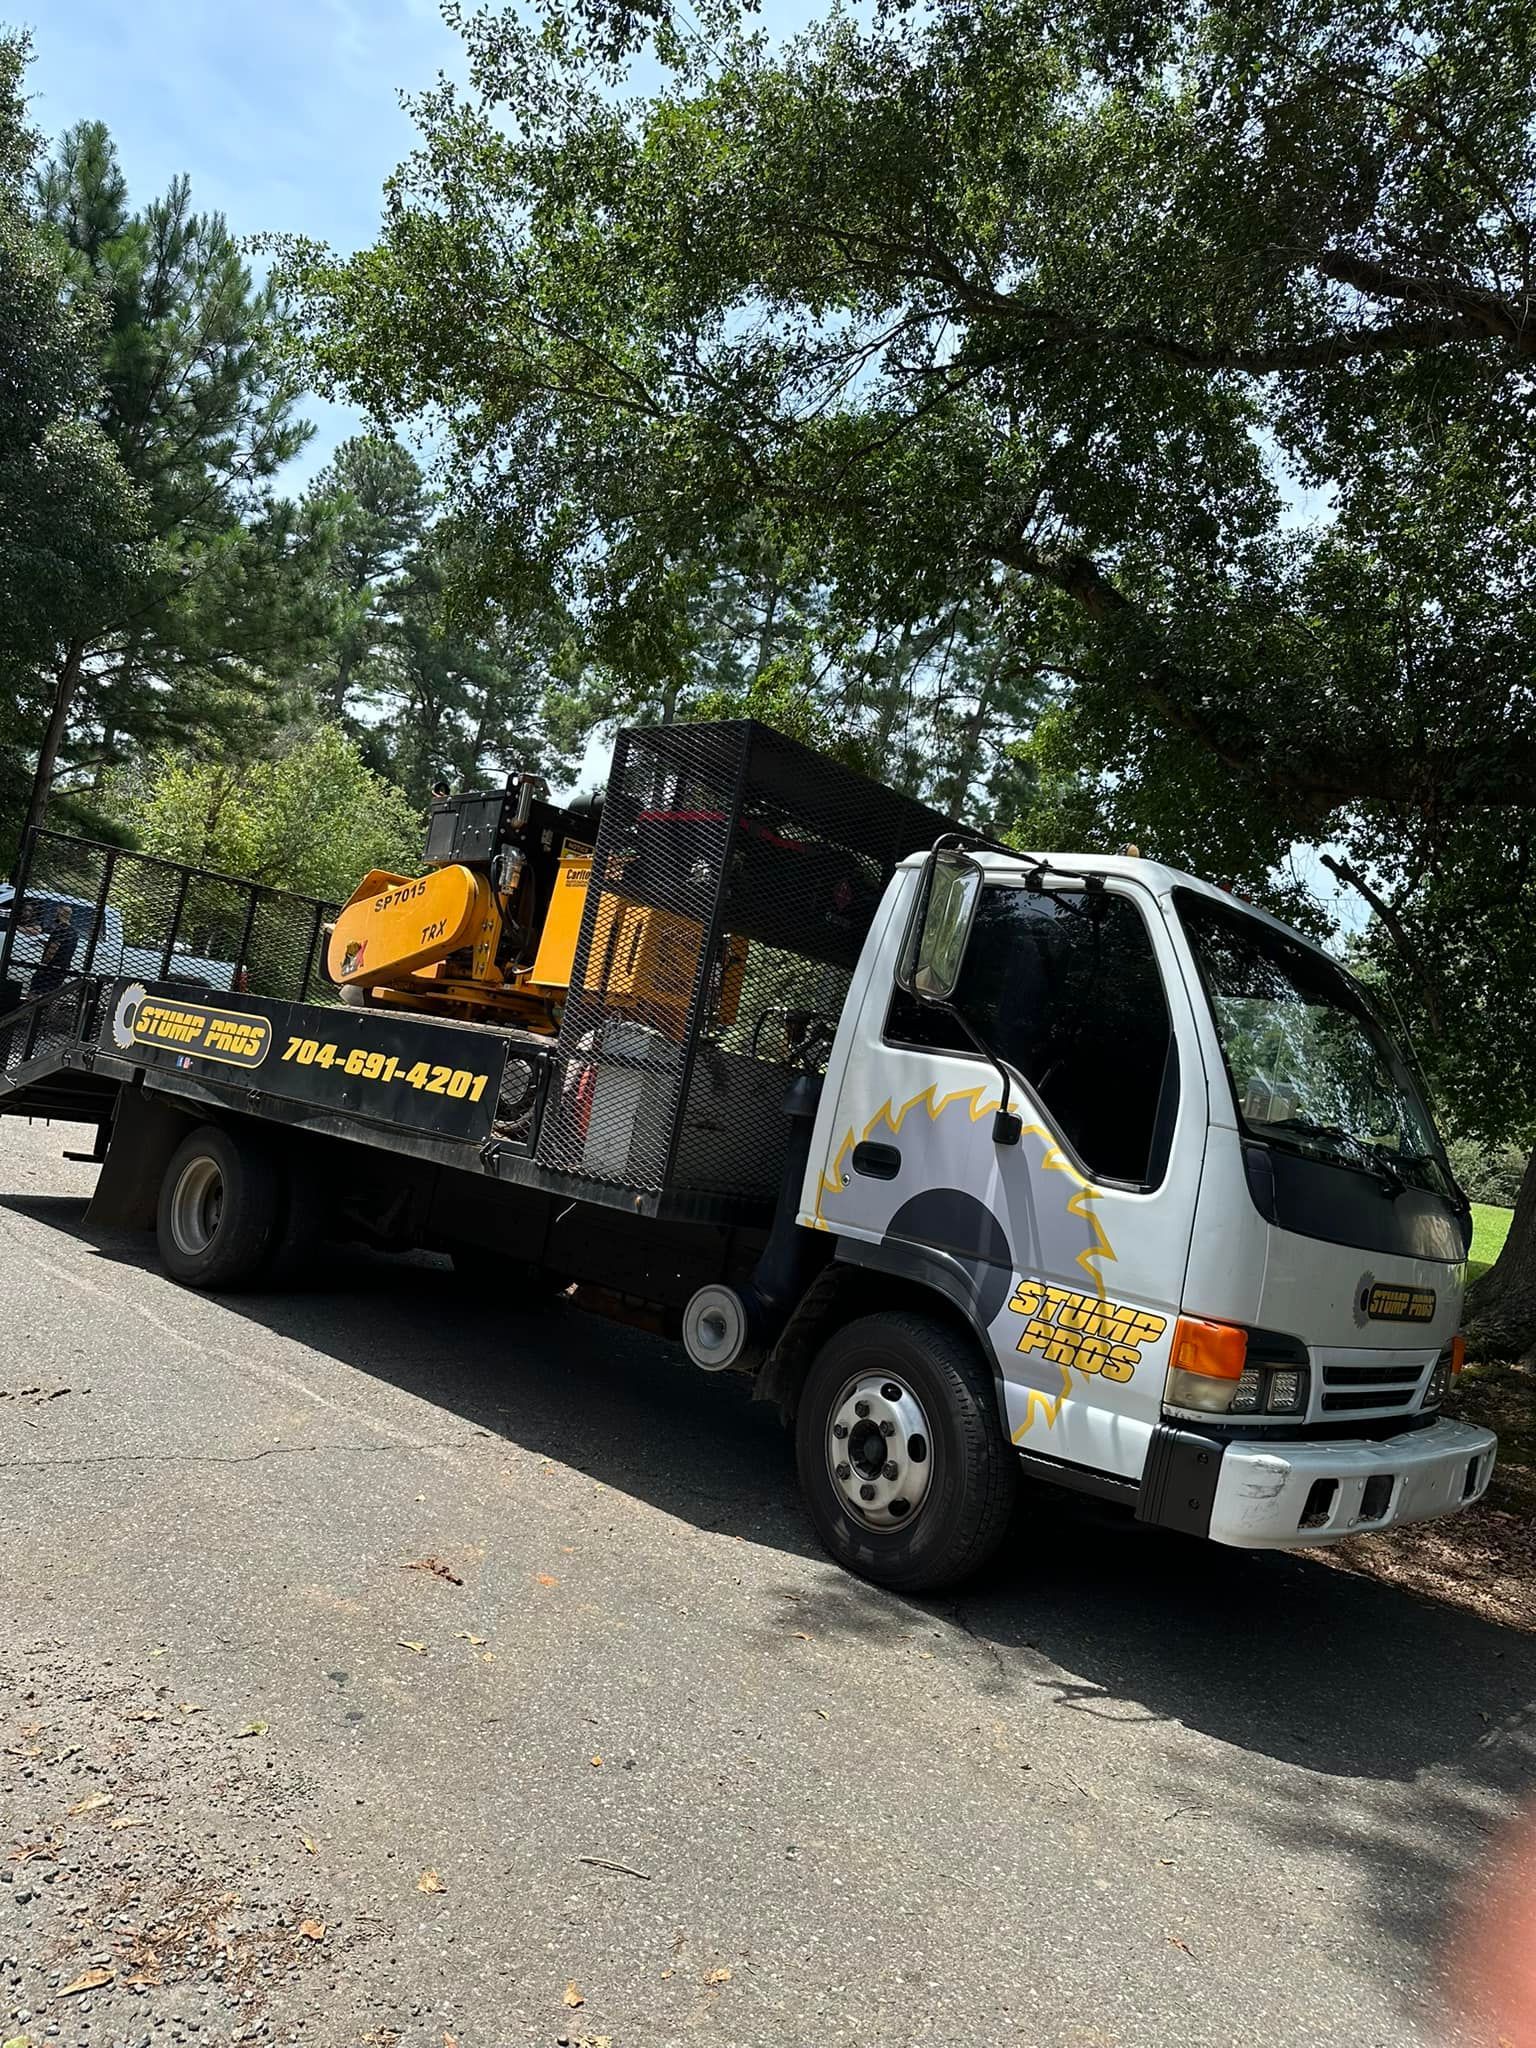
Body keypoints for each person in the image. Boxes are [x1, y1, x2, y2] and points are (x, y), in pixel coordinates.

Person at [30, 905, 79, 994]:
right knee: (50, 994)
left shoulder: (60, 929)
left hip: (51, 968)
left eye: (57, 912)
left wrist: (43, 965)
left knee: (36, 991)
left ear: (60, 913)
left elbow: (53, 949)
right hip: (62, 969)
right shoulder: (74, 932)